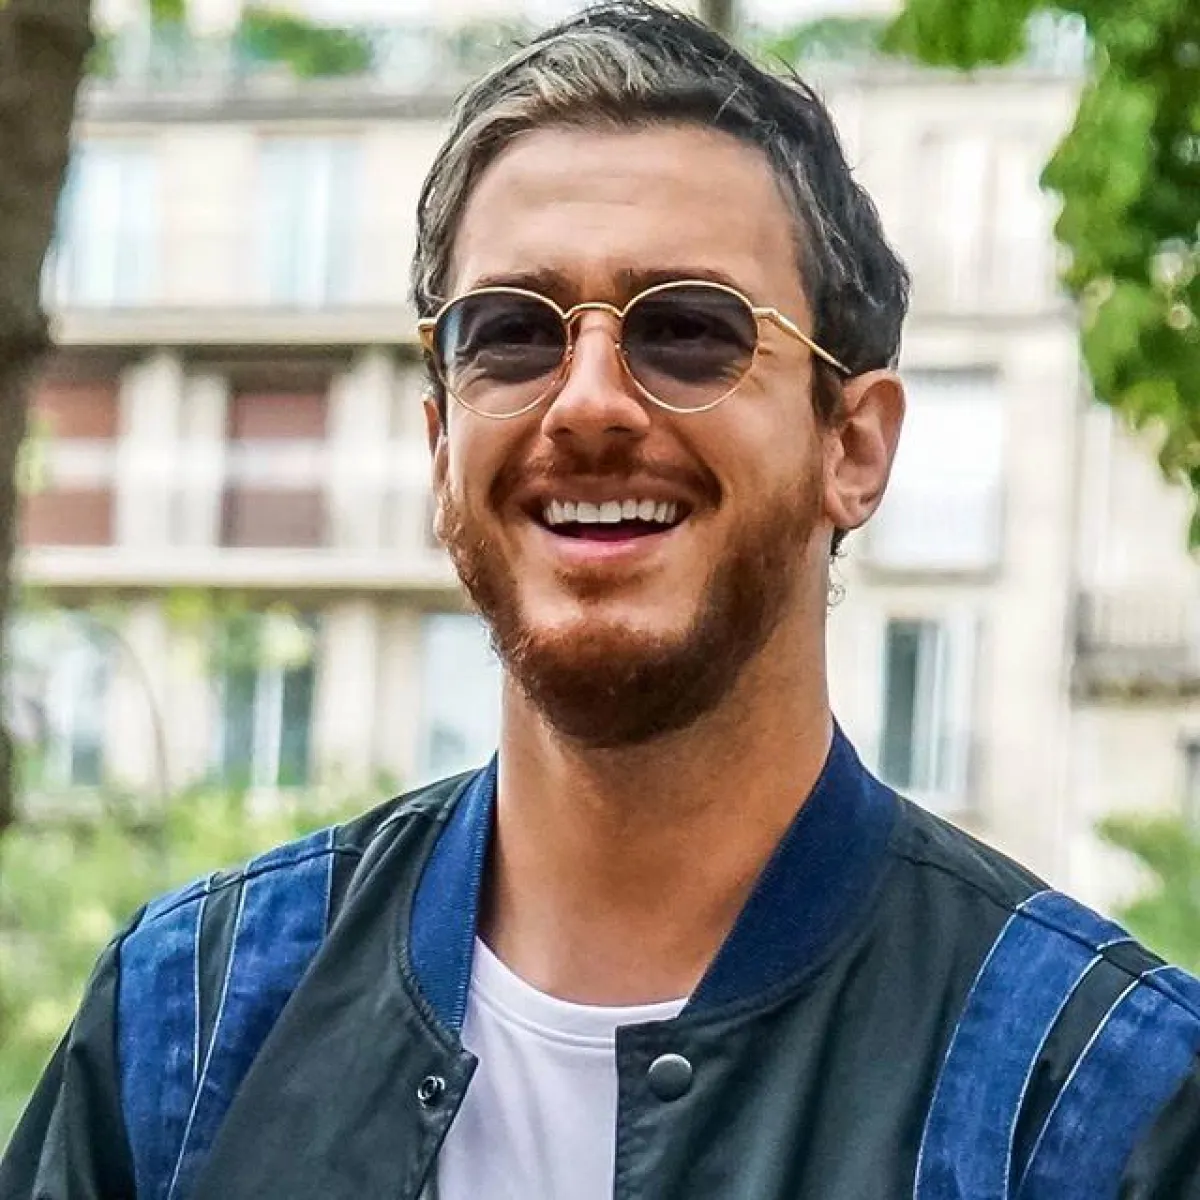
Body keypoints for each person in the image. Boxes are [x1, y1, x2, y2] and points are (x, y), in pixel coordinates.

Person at [5, 3, 1200, 1197]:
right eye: (511, 334)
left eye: (686, 330)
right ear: (440, 445)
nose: (583, 403)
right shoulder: (187, 1032)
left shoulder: (1100, 1104)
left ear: (853, 445)